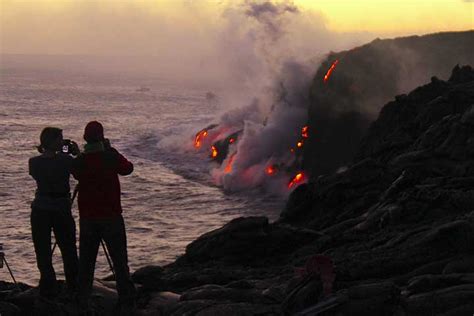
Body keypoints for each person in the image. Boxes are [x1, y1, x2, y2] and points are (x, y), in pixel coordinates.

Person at [72, 121, 136, 311]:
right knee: (119, 261)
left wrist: (79, 154)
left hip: (88, 219)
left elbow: (75, 172)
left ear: (85, 138)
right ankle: (126, 301)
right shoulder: (110, 156)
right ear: (102, 137)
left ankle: (82, 301)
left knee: (86, 263)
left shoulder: (81, 161)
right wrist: (111, 149)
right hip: (112, 216)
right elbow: (128, 168)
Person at [29, 127, 80, 299]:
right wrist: (77, 154)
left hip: (40, 208)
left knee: (42, 250)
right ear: (52, 141)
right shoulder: (66, 161)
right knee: (68, 249)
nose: (62, 142)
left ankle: (47, 286)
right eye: (60, 139)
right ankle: (73, 286)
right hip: (60, 208)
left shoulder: (33, 162)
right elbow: (81, 172)